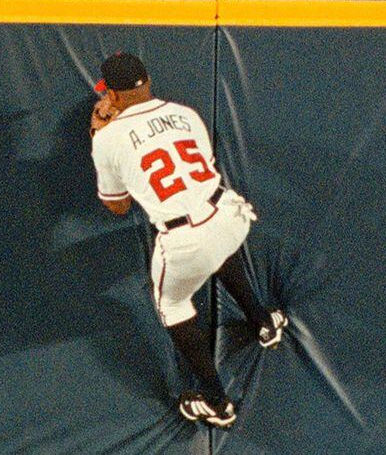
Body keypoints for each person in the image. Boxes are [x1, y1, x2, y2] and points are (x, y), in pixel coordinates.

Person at [89, 52, 289, 428]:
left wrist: (99, 133)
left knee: (172, 305)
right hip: (229, 215)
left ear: (111, 97)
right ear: (147, 82)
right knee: (219, 249)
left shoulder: (107, 137)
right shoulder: (186, 113)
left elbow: (117, 207)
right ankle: (264, 323)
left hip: (184, 242)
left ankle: (216, 402)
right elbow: (201, 167)